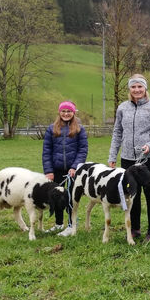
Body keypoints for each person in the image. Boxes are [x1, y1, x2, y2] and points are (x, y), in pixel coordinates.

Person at [108, 74, 150, 243]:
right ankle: (135, 228)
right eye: (133, 87)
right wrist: (113, 155)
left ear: (145, 88)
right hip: (128, 158)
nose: (137, 90)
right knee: (131, 194)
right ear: (129, 89)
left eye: (140, 87)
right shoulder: (122, 108)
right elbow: (117, 132)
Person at [42, 101, 88, 236]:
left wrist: (75, 167)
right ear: (59, 112)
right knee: (56, 197)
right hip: (56, 169)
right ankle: (58, 223)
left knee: (70, 197)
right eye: (63, 111)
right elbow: (46, 151)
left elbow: (83, 150)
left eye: (69, 111)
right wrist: (49, 171)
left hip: (72, 171)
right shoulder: (51, 129)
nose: (66, 114)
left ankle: (70, 224)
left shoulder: (79, 129)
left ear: (73, 113)